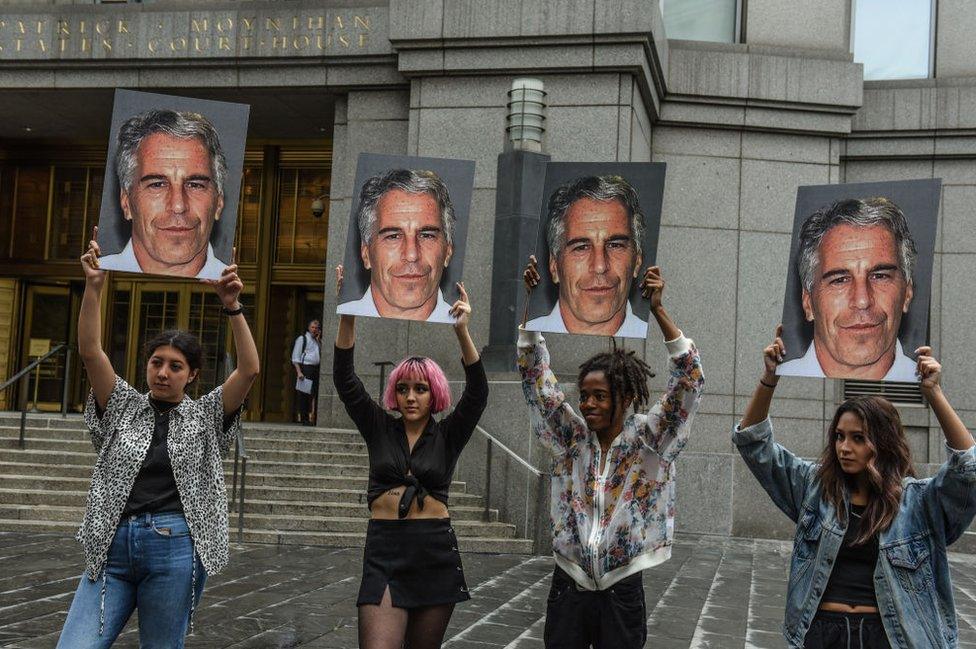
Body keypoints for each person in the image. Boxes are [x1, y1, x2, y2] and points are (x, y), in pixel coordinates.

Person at [57, 227, 259, 647]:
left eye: (175, 366)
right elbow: (91, 351)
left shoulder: (205, 415)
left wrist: (232, 307)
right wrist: (94, 287)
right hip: (112, 545)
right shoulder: (124, 403)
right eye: (156, 362)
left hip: (174, 547)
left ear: (193, 375)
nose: (163, 372)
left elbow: (250, 370)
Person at [734, 325, 976, 648]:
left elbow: (969, 469)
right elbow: (754, 444)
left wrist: (934, 393)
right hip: (822, 633)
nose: (844, 447)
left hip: (890, 637)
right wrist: (770, 378)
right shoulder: (815, 489)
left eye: (858, 438)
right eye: (839, 436)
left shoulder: (917, 503)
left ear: (882, 443)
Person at [520, 257, 704, 648]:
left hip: (622, 587)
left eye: (599, 396)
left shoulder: (650, 441)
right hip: (569, 583)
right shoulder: (571, 439)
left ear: (625, 398)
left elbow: (689, 379)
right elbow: (537, 380)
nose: (587, 404)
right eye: (584, 395)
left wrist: (658, 310)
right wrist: (533, 308)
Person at [333, 264, 487, 649]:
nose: (411, 396)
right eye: (403, 389)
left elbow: (478, 393)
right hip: (384, 548)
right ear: (394, 394)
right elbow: (345, 379)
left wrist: (462, 332)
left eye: (420, 389)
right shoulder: (378, 426)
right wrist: (348, 311)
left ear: (433, 393)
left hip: (433, 549)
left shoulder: (448, 434)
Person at [779, 197, 919, 381]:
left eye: (880, 276)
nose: (862, 301)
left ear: (907, 294)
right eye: (840, 280)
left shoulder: (938, 391)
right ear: (808, 303)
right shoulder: (771, 388)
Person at [98, 109, 229, 280]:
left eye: (195, 185)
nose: (178, 206)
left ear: (219, 202)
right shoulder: (95, 277)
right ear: (126, 203)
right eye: (157, 185)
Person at [525, 175, 648, 337]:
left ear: (637, 261)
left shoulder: (662, 342)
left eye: (615, 245)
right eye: (581, 248)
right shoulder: (519, 340)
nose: (600, 266)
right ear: (554, 266)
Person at [337, 168, 457, 322]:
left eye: (427, 236)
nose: (412, 254)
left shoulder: (468, 331)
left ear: (448, 251)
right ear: (366, 253)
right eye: (393, 237)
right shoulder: (339, 322)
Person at [292, 318, 322, 426]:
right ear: (309, 328)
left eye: (317, 328)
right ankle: (304, 418)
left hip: (315, 369)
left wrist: (319, 340)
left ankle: (311, 418)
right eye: (313, 327)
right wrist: (299, 372)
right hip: (306, 368)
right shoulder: (302, 339)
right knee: (304, 394)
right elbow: (295, 356)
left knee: (313, 394)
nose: (314, 329)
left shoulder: (317, 341)